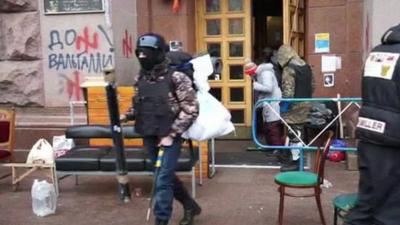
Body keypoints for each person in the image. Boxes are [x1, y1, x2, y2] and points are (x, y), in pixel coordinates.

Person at [124, 33, 201, 225]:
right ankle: (190, 205)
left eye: (146, 54)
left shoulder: (176, 78)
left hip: (170, 134)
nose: (142, 58)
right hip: (149, 132)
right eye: (139, 54)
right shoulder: (140, 78)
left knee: (163, 179)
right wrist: (126, 115)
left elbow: (191, 109)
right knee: (163, 176)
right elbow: (139, 104)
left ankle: (161, 220)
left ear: (157, 53)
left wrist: (172, 134)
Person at [344, 24, 400, 225]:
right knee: (391, 210)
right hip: (394, 140)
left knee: (368, 201)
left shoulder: (377, 53)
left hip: (370, 132)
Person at [276, 44, 314, 171]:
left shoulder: (289, 69)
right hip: (306, 103)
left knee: (294, 133)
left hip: (294, 106)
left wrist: (283, 106)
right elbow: (313, 85)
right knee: (299, 132)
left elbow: (288, 92)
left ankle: (295, 162)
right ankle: (295, 158)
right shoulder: (306, 66)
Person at [244, 49, 284, 152]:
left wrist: (257, 86)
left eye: (249, 74)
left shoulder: (265, 74)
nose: (249, 76)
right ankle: (271, 147)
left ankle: (279, 149)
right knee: (268, 126)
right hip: (268, 103)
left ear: (252, 72)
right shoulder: (260, 74)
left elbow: (269, 88)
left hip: (273, 103)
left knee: (273, 127)